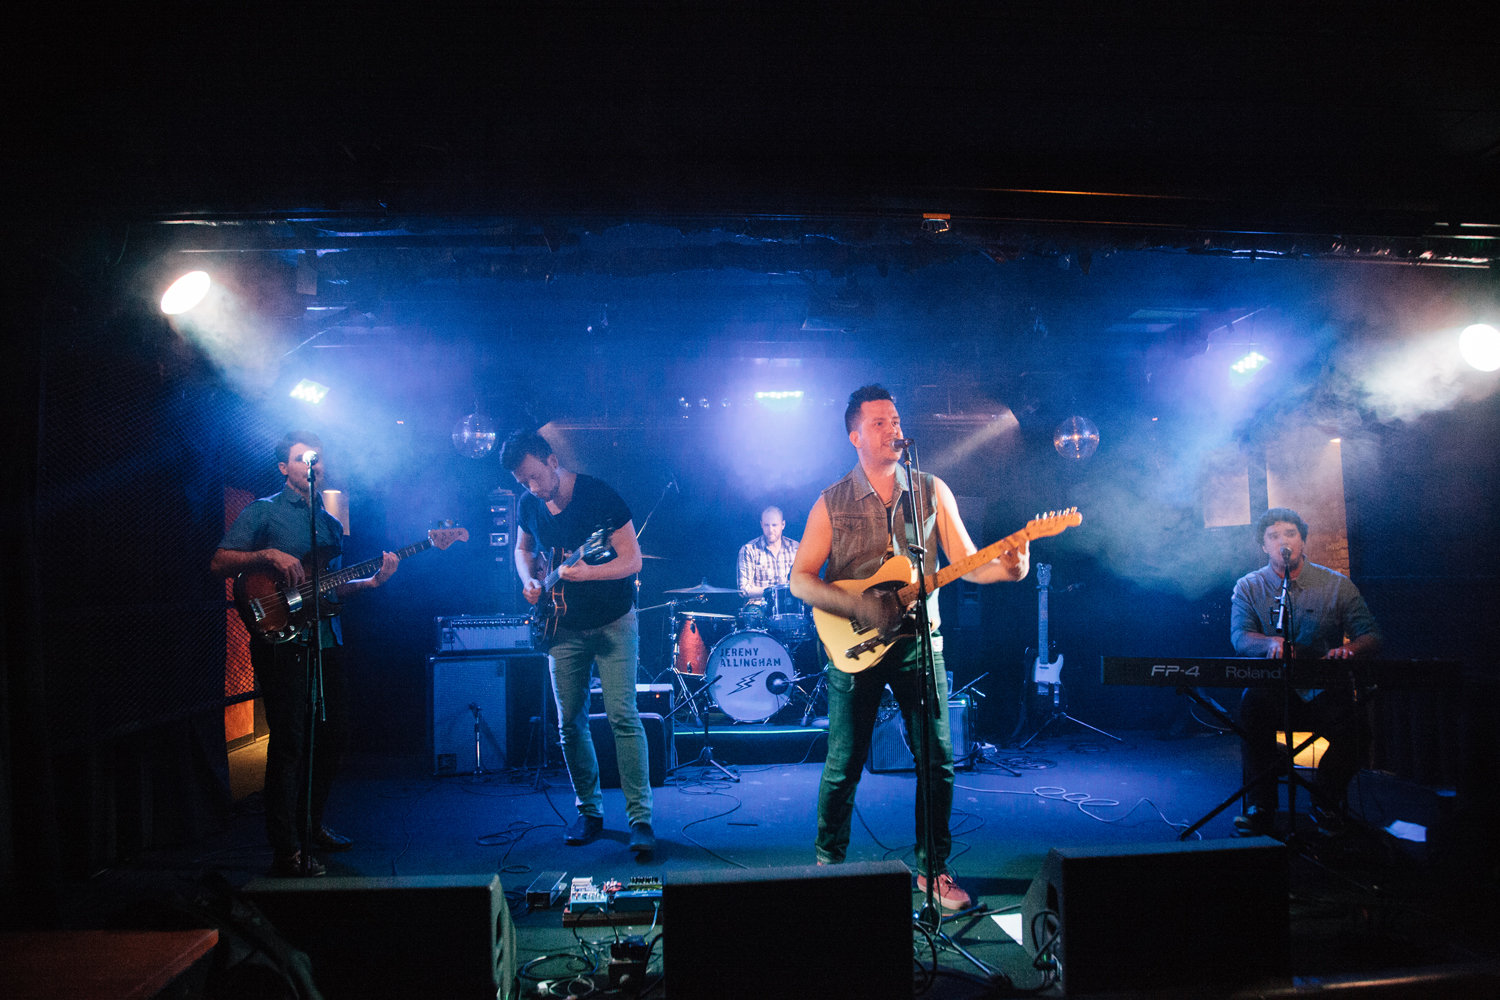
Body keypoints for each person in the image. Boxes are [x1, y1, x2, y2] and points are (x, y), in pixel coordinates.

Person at [789, 385, 1028, 911]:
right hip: (854, 645)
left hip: (921, 640)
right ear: (855, 436)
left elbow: (968, 562)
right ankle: (827, 866)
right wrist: (861, 607)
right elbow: (800, 581)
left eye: (895, 420)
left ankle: (933, 870)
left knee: (937, 759)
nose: (893, 428)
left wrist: (1011, 568)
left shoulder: (931, 489)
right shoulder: (831, 502)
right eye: (879, 422)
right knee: (843, 762)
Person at [210, 432, 398, 877]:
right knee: (291, 742)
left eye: (316, 458)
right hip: (281, 640)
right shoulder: (264, 511)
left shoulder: (329, 524)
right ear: (283, 468)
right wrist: (271, 554)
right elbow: (219, 562)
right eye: (300, 459)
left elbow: (330, 589)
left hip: (325, 638)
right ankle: (286, 848)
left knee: (334, 738)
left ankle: (311, 826)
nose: (312, 465)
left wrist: (370, 583)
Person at [503, 429, 655, 853]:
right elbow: (522, 548)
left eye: (535, 476)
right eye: (523, 483)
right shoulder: (529, 503)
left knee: (623, 717)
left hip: (613, 620)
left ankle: (640, 819)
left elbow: (632, 559)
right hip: (561, 626)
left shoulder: (599, 496)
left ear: (552, 460)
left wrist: (589, 573)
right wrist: (529, 579)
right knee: (570, 723)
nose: (532, 488)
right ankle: (588, 811)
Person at [1230, 507, 1382, 837]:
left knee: (1357, 731)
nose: (1283, 542)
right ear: (1264, 546)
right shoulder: (1249, 587)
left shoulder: (1337, 585)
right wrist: (1269, 642)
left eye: (1290, 534)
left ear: (1302, 540)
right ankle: (1262, 806)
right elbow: (1240, 637)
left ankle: (1325, 801)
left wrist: (1348, 650)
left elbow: (1371, 634)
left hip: (1324, 689)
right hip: (1273, 690)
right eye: (1274, 537)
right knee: (1251, 708)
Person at [737, 506, 799, 599]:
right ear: (761, 525)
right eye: (766, 525)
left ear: (783, 525)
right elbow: (744, 590)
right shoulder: (748, 550)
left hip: (788, 607)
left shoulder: (795, 548)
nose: (770, 530)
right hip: (759, 609)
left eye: (774, 525)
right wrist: (776, 590)